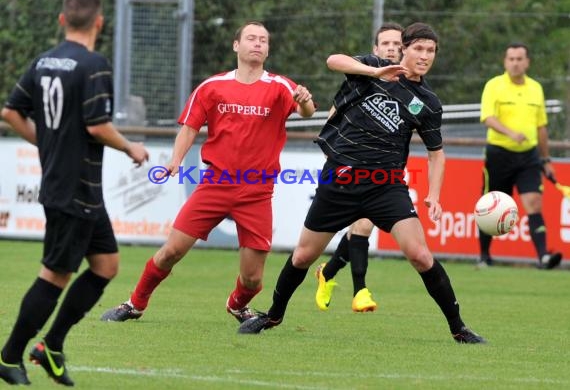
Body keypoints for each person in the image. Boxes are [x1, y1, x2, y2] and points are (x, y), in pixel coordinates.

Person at [238, 22, 486, 344]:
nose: (424, 56)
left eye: (431, 51)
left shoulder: (428, 102)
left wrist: (434, 196)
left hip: (385, 186)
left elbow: (436, 154)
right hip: (339, 178)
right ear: (404, 48)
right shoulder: (372, 67)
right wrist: (373, 74)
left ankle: (459, 328)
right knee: (302, 256)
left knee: (421, 256)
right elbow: (333, 60)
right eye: (418, 49)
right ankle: (272, 315)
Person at [100, 21, 315, 325]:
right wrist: (176, 160)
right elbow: (189, 128)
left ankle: (237, 304)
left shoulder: (281, 87)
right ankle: (135, 303)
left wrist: (305, 103)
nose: (257, 44)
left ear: (267, 50)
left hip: (256, 190)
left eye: (263, 40)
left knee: (253, 280)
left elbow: (305, 111)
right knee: (171, 251)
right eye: (251, 38)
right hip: (216, 183)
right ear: (236, 45)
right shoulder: (213, 86)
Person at [0, 0, 149, 386]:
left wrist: (43, 140)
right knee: (55, 275)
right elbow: (96, 125)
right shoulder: (93, 64)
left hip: (75, 186)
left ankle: (51, 345)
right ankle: (10, 355)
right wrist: (130, 147)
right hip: (74, 188)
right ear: (99, 22)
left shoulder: (44, 61)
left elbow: (11, 112)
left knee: (106, 265)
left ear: (63, 20)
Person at [316, 22, 404, 313]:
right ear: (375, 49)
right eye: (386, 43)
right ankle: (344, 282)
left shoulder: (406, 83)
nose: (391, 48)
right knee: (358, 225)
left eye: (396, 43)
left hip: (380, 164)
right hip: (345, 161)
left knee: (363, 224)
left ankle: (348, 285)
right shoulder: (365, 70)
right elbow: (336, 104)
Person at [478, 42, 563, 269]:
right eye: (511, 59)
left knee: (534, 203)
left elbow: (541, 127)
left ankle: (543, 257)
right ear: (505, 62)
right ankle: (484, 257)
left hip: (529, 157)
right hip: (499, 155)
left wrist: (546, 160)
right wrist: (510, 133)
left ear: (527, 62)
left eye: (519, 59)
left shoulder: (536, 88)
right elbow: (487, 117)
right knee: (491, 207)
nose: (515, 63)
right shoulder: (494, 85)